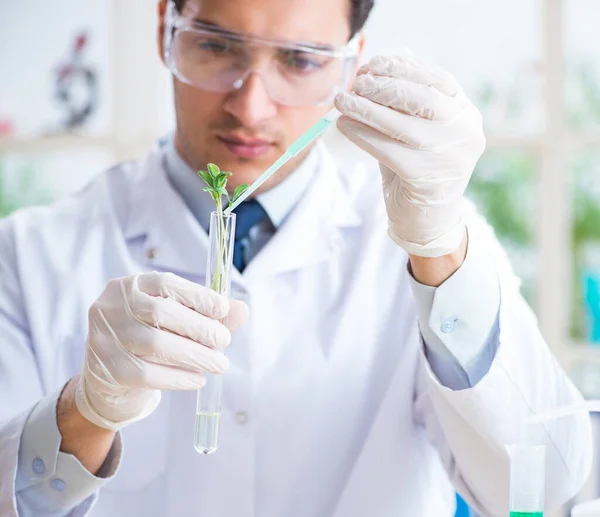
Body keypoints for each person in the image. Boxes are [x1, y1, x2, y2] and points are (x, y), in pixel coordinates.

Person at [0, 0, 592, 516]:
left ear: (351, 63)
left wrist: (440, 255)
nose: (252, 108)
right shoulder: (30, 256)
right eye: (216, 46)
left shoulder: (428, 239)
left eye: (301, 60)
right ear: (165, 30)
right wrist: (85, 413)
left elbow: (542, 487)